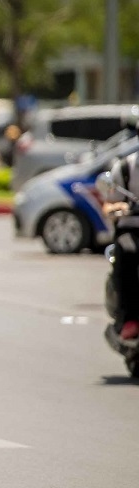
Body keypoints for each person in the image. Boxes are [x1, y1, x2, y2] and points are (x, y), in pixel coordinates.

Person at [102, 129, 139, 341]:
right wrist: (120, 208)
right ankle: (130, 318)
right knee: (128, 251)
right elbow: (108, 206)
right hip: (132, 228)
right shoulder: (125, 168)